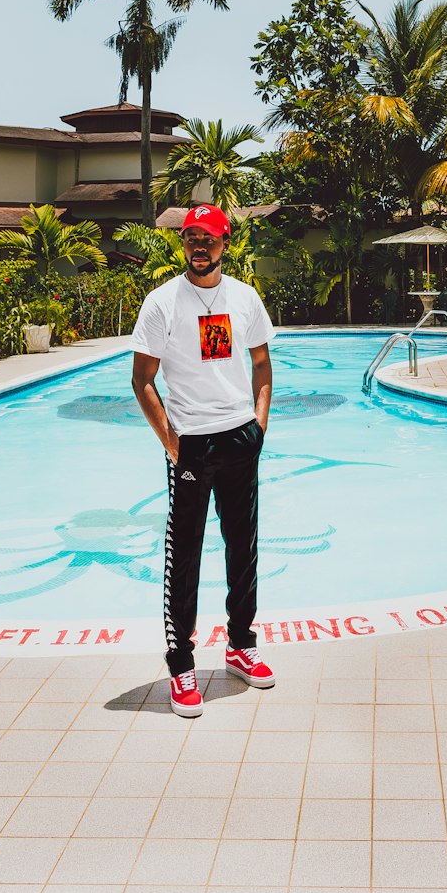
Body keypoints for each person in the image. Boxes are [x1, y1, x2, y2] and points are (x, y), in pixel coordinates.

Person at [130, 203, 276, 717]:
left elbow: (261, 363)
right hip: (190, 442)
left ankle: (240, 643)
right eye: (190, 237)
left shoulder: (244, 298)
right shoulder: (162, 303)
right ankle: (181, 663)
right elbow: (142, 379)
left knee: (244, 547)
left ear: (225, 243)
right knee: (185, 555)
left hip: (239, 438)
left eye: (207, 238)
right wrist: (172, 442)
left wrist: (258, 425)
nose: (198, 245)